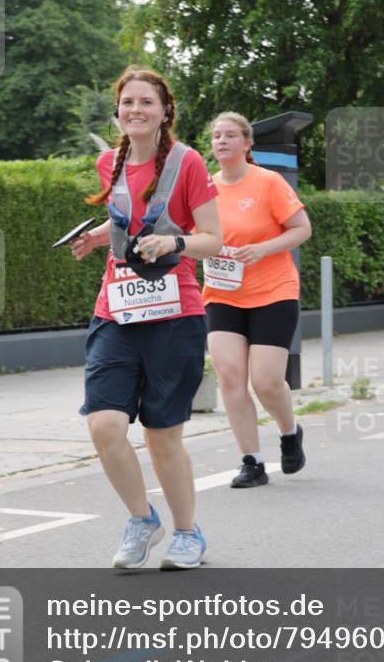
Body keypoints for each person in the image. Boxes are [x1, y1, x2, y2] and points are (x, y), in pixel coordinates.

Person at [70, 68, 222, 569]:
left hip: (174, 312)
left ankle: (186, 533)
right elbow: (127, 224)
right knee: (105, 425)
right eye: (127, 102)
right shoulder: (107, 163)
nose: (135, 109)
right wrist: (98, 239)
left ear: (164, 111)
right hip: (115, 310)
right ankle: (142, 519)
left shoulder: (189, 162)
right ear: (117, 110)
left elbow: (212, 239)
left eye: (146, 102)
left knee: (162, 433)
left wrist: (173, 242)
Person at [203, 112, 312, 488]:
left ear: (247, 144)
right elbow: (195, 233)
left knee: (266, 382)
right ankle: (252, 461)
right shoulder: (205, 188)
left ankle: (289, 432)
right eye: (217, 135)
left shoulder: (268, 183)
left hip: (272, 292)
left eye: (231, 135)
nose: (222, 141)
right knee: (230, 376)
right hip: (222, 293)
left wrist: (262, 249)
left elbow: (302, 229)